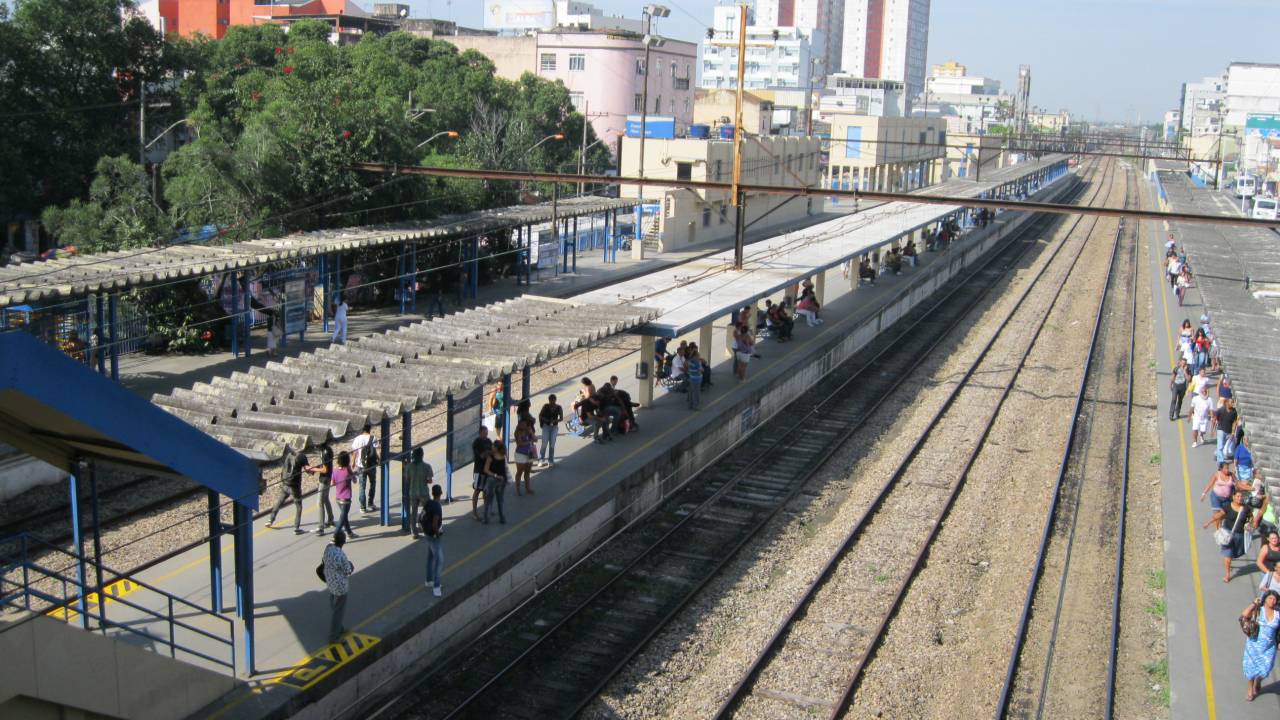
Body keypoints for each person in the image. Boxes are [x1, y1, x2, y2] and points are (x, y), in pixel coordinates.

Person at [1205, 490, 1253, 583]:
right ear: (1233, 497)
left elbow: (1251, 518)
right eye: (1238, 496)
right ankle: (1227, 574)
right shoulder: (1227, 507)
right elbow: (1218, 516)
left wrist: (1250, 524)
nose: (1239, 498)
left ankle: (1231, 559)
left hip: (1240, 535)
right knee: (1227, 555)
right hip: (1227, 534)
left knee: (1237, 553)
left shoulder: (1246, 508)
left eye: (1241, 497)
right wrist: (1208, 523)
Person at [1241, 591, 1280, 701]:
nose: (1273, 601)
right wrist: (1254, 603)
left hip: (1269, 647)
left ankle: (1258, 681)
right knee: (1250, 670)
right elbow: (1244, 615)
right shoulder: (1258, 610)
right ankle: (1250, 689)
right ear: (1265, 599)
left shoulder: (1278, 614)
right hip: (1253, 645)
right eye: (1270, 598)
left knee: (1266, 670)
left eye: (1275, 599)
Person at [323, 530, 354, 644]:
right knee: (338, 611)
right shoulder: (341, 555)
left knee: (334, 606)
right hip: (340, 587)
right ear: (343, 542)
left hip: (330, 581)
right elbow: (348, 570)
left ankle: (339, 628)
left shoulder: (328, 549)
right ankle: (334, 636)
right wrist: (350, 564)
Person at [267, 448, 307, 534]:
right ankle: (296, 528)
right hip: (295, 487)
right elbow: (307, 469)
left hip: (285, 483)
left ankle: (271, 519)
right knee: (299, 507)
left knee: (279, 502)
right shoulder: (301, 457)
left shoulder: (289, 455)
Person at [306, 443, 335, 536]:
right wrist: (315, 468)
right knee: (326, 499)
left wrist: (313, 469)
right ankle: (331, 520)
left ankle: (321, 527)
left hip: (324, 479)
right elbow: (325, 466)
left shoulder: (325, 453)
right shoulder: (328, 449)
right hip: (328, 477)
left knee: (319, 502)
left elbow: (325, 470)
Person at [420, 484, 444, 597]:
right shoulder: (437, 507)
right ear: (440, 494)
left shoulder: (428, 503)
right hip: (433, 536)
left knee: (430, 557)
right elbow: (435, 523)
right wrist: (438, 533)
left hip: (426, 533)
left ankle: (428, 580)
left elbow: (420, 517)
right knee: (439, 560)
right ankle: (436, 586)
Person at [405, 447, 433, 539]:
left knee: (414, 511)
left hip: (413, 492)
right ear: (422, 455)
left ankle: (414, 532)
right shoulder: (427, 466)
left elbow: (407, 479)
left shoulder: (409, 467)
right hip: (423, 492)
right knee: (428, 510)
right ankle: (424, 526)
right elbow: (429, 481)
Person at [482, 441, 508, 524]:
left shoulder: (490, 457)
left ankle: (486, 518)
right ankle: (502, 518)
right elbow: (504, 469)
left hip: (492, 480)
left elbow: (486, 470)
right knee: (500, 500)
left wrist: (495, 475)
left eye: (493, 446)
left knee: (488, 500)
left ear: (496, 448)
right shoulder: (503, 456)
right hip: (502, 480)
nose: (492, 446)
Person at [332, 451, 357, 538]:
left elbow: (333, 483)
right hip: (346, 498)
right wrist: (351, 473)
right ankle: (335, 535)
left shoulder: (334, 471)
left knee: (344, 516)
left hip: (338, 498)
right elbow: (354, 481)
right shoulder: (348, 470)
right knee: (342, 518)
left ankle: (350, 533)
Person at [471, 426, 492, 521]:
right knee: (477, 490)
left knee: (486, 491)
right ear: (480, 433)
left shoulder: (488, 441)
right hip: (479, 470)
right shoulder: (477, 443)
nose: (486, 435)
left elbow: (492, 453)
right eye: (484, 433)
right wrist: (488, 452)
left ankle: (486, 509)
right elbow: (482, 455)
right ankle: (474, 512)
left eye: (486, 433)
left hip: (487, 470)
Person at [351, 424, 373, 513]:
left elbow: (355, 452)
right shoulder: (373, 438)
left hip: (360, 465)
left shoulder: (357, 439)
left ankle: (362, 507)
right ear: (369, 429)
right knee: (373, 483)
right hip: (371, 465)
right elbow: (376, 451)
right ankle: (370, 503)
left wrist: (353, 462)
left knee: (362, 486)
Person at [512, 418, 537, 495]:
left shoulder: (529, 430)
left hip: (529, 453)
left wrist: (531, 433)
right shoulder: (517, 432)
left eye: (524, 424)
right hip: (520, 454)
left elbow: (535, 439)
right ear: (519, 425)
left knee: (527, 471)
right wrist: (530, 442)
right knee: (519, 472)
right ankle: (517, 490)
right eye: (521, 424)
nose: (523, 426)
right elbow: (519, 444)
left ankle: (527, 488)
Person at [538, 394, 563, 467]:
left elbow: (561, 418)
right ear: (549, 400)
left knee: (552, 444)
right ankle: (541, 459)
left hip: (554, 427)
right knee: (544, 443)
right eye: (550, 400)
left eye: (553, 400)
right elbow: (540, 415)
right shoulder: (545, 406)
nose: (551, 402)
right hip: (546, 426)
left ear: (555, 400)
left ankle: (550, 460)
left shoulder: (559, 407)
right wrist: (546, 420)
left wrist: (555, 420)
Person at [1214, 397, 1239, 464]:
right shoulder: (1221, 410)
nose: (1233, 404)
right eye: (1231, 402)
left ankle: (1216, 453)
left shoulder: (1234, 412)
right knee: (1221, 446)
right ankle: (1221, 463)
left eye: (1233, 402)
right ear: (1227, 403)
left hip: (1228, 432)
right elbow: (1215, 419)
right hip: (1221, 430)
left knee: (1222, 445)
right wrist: (1213, 430)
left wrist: (1233, 432)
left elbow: (1234, 422)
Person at [1258, 529, 1280, 595]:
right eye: (1272, 538)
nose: (1274, 540)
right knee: (1265, 592)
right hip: (1267, 572)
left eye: (1276, 538)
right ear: (1268, 539)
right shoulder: (1265, 548)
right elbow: (1259, 562)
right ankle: (1262, 602)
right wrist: (1269, 573)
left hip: (1278, 573)